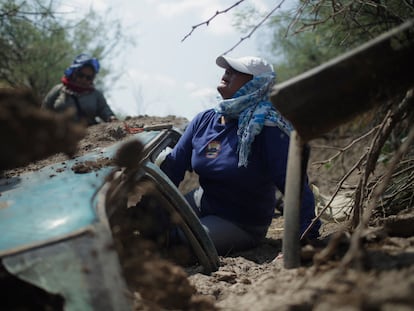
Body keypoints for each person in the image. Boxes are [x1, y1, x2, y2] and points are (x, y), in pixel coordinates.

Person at [160, 55, 320, 256]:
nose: (226, 72)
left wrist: (308, 232)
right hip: (205, 201)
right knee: (151, 223)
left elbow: (293, 183)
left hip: (240, 221)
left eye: (235, 71)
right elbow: (174, 166)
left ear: (257, 83)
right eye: (227, 69)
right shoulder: (204, 120)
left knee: (180, 241)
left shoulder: (267, 128)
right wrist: (150, 204)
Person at [42, 53, 117, 125]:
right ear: (73, 73)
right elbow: (44, 111)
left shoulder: (96, 95)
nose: (84, 79)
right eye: (81, 75)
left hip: (87, 135)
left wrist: (111, 118)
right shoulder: (58, 89)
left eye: (88, 77)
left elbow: (105, 111)